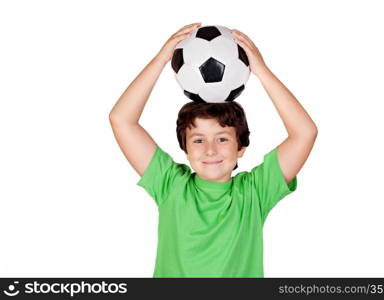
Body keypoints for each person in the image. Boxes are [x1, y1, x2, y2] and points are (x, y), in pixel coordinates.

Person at [109, 23, 318, 277]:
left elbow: (304, 133)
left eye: (222, 139)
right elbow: (121, 119)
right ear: (185, 148)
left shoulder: (254, 193)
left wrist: (262, 71)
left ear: (240, 147)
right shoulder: (170, 185)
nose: (210, 150)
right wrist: (161, 59)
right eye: (198, 140)